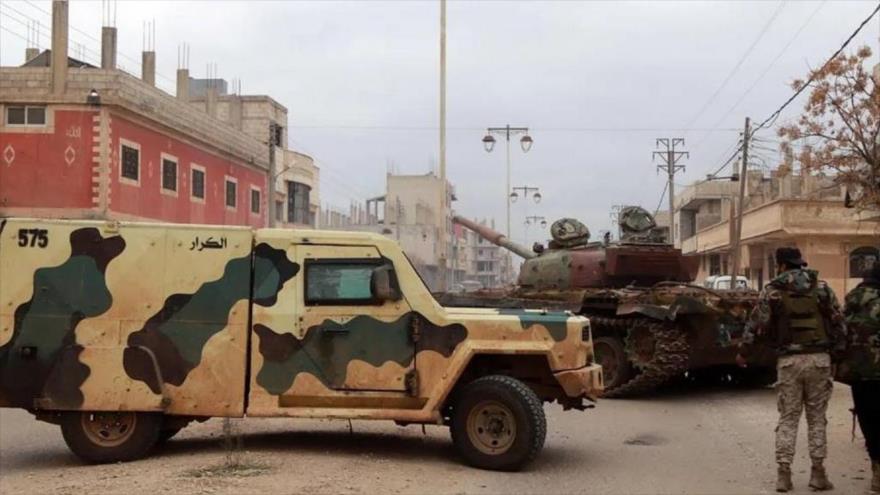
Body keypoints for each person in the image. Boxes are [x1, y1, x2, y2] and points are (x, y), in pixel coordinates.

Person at [736, 247, 846, 493]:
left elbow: (756, 325)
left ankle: (784, 476)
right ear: (800, 264)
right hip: (819, 360)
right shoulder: (822, 288)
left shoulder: (772, 292)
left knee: (788, 418)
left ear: (782, 265)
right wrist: (838, 356)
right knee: (817, 419)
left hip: (789, 362)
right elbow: (839, 323)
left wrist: (744, 352)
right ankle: (818, 474)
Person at [837, 263, 880, 493]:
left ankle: (877, 470)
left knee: (869, 418)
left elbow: (840, 332)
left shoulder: (853, 300)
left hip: (860, 372)